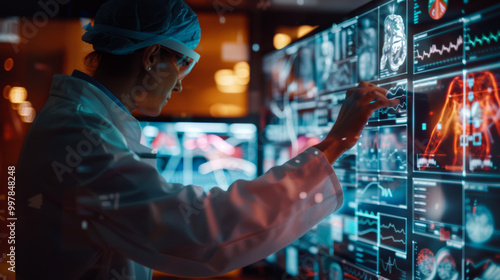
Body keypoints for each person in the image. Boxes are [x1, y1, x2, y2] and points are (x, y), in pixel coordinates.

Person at [16, 0, 398, 279]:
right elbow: (199, 231)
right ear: (151, 58)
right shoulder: (80, 134)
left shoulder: (87, 123)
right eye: (183, 64)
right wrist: (334, 144)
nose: (180, 84)